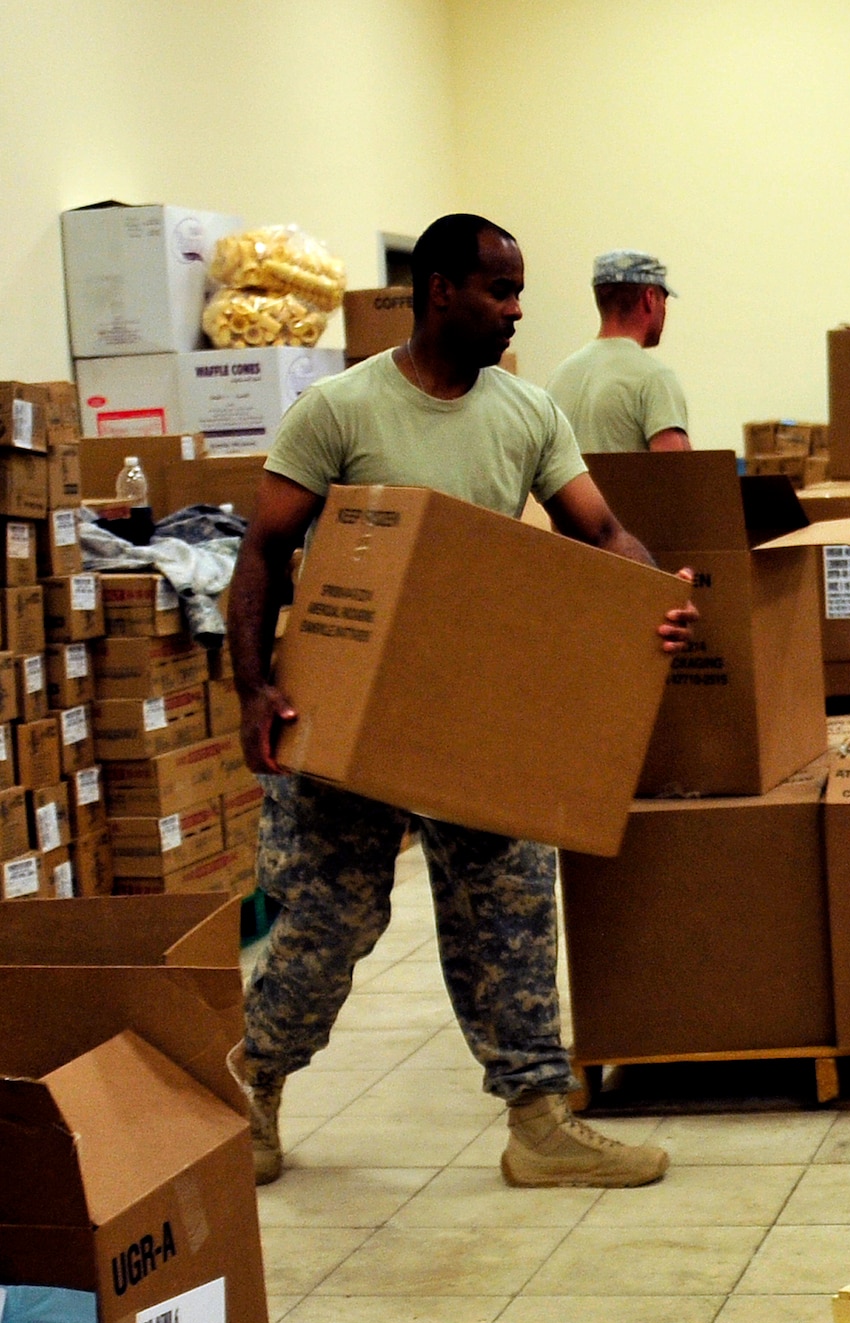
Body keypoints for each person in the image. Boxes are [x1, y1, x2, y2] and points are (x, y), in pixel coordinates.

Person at [226, 213, 699, 1191]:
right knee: (325, 926)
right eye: (500, 290)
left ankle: (539, 1121)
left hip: (477, 706)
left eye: (519, 291)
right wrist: (254, 688)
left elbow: (601, 530)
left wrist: (653, 599)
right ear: (440, 288)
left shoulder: (527, 413)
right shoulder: (340, 409)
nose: (516, 309)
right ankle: (255, 1081)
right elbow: (263, 550)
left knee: (510, 916)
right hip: (350, 711)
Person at [546, 250, 692, 453]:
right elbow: (680, 475)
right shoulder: (654, 378)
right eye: (663, 300)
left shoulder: (559, 377)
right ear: (649, 298)